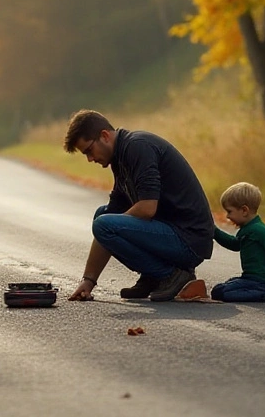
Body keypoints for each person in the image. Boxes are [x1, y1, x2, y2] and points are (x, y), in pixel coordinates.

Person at [63, 110, 215, 302]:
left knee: (105, 224)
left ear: (104, 136)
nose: (90, 159)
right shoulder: (120, 158)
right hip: (171, 235)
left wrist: (115, 228)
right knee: (103, 215)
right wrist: (88, 281)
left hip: (189, 240)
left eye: (88, 151)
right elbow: (113, 213)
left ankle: (169, 275)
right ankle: (152, 276)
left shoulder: (137, 147)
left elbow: (147, 208)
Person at [211, 182, 265, 302]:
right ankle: (262, 292)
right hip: (251, 279)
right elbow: (234, 245)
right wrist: (214, 231)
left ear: (244, 210)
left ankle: (264, 295)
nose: (227, 216)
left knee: (220, 293)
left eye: (229, 211)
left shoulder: (260, 231)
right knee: (221, 287)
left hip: (263, 282)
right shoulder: (248, 229)